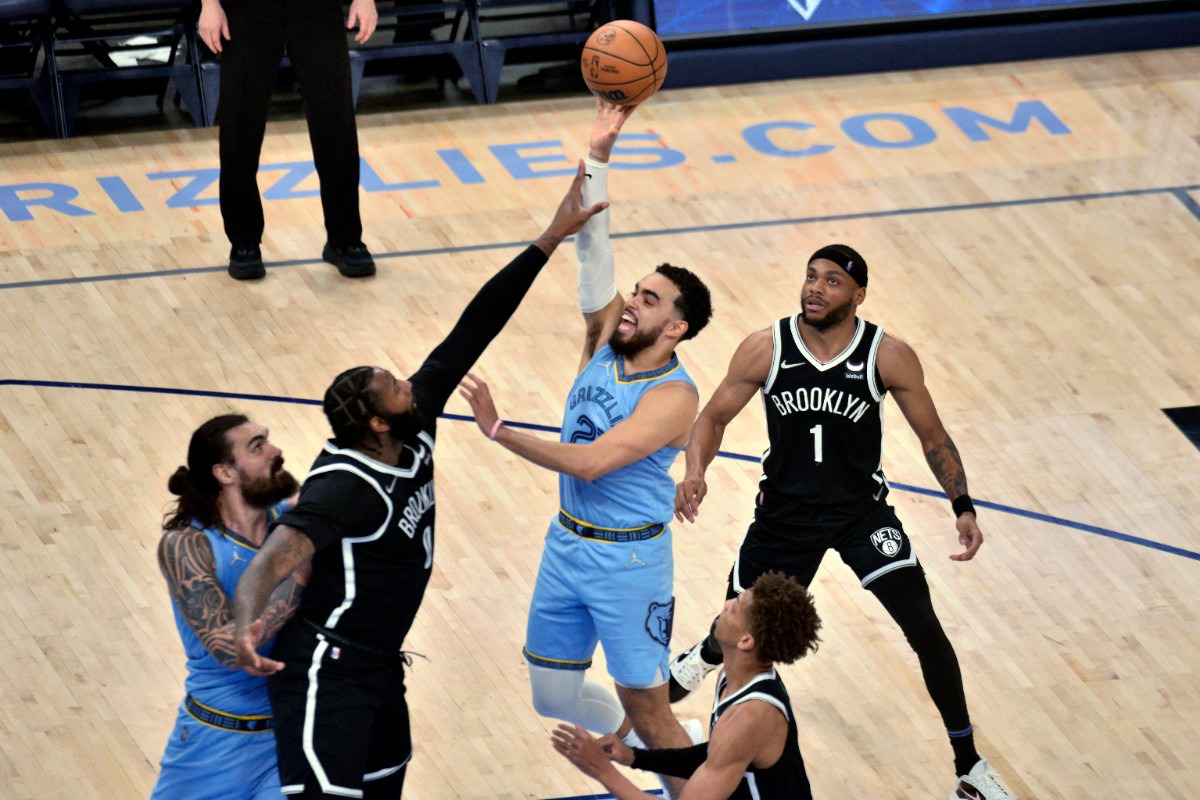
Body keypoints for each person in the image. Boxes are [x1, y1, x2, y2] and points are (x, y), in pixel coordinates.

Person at [230, 163, 606, 799]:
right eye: (396, 387)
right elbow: (270, 560)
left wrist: (549, 237)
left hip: (378, 665)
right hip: (328, 669)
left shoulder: (412, 422)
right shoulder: (345, 487)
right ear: (378, 421)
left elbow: (472, 328)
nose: (412, 382)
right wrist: (245, 620)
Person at [669, 244, 1018, 800]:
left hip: (860, 513)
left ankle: (969, 768)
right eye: (810, 276)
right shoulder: (767, 347)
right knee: (742, 639)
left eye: (832, 281)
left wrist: (963, 504)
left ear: (858, 296)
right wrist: (695, 470)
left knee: (925, 629)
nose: (814, 288)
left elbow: (935, 438)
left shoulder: (887, 354)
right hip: (784, 516)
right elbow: (712, 417)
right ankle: (706, 662)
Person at [457, 100, 714, 798]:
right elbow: (592, 246)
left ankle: (684, 781)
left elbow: (595, 461)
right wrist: (599, 152)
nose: (632, 301)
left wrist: (501, 431)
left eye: (651, 299)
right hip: (566, 544)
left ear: (679, 326)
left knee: (650, 710)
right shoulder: (605, 336)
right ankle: (627, 758)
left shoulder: (674, 397)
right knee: (551, 694)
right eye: (636, 290)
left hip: (629, 561)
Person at [552, 571, 822, 800]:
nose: (726, 604)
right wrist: (634, 757)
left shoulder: (751, 716)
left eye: (736, 607)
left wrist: (602, 770)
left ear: (745, 641)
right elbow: (714, 752)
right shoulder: (735, 678)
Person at [152, 414, 307, 799]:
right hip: (212, 746)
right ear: (224, 472)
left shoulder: (290, 522)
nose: (276, 451)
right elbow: (228, 648)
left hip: (286, 743)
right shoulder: (188, 546)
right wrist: (300, 574)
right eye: (258, 447)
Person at [198, 0, 379, 281]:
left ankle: (345, 240)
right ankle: (244, 243)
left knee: (335, 121)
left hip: (317, 11)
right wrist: (209, 5)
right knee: (240, 126)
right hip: (246, 11)